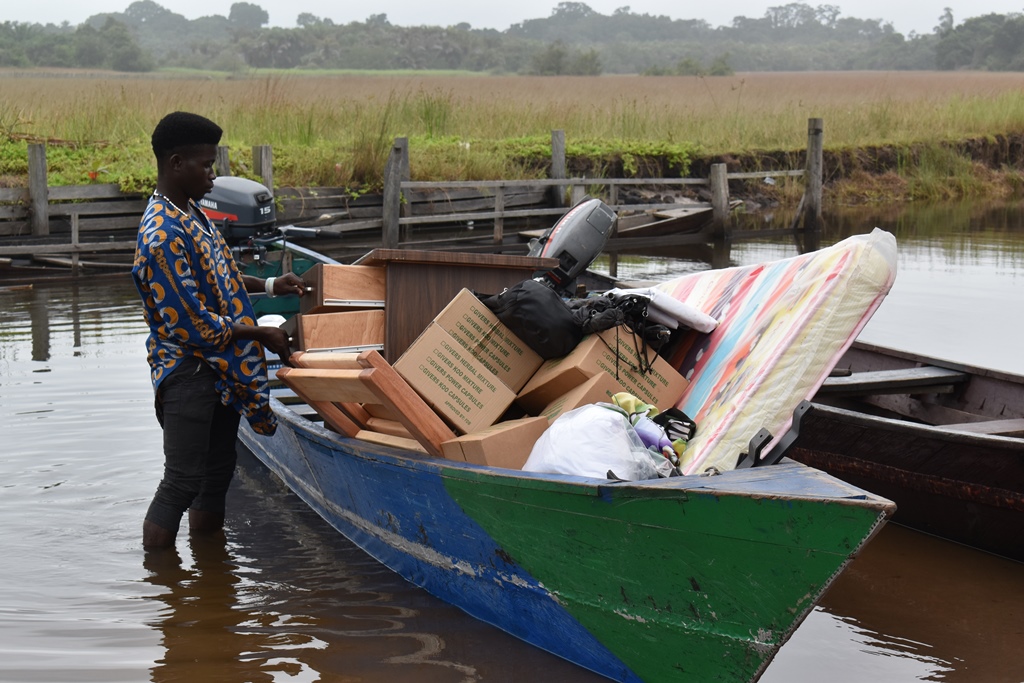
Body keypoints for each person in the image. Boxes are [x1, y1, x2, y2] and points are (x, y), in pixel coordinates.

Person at [132, 111, 304, 549]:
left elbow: (219, 273)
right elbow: (192, 324)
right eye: (205, 166)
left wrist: (267, 284)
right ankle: (165, 591)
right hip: (188, 372)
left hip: (221, 367)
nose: (213, 176)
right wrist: (260, 334)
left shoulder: (190, 212)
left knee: (216, 477)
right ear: (175, 163)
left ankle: (211, 584)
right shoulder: (162, 235)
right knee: (182, 483)